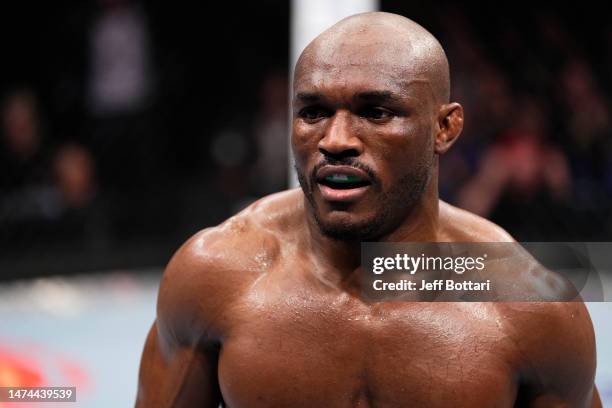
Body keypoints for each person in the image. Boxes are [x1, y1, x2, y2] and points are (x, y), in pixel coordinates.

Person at [136, 12, 600, 407]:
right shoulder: (215, 274)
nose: (336, 141)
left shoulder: (533, 309)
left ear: (445, 127)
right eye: (313, 112)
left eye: (376, 113)